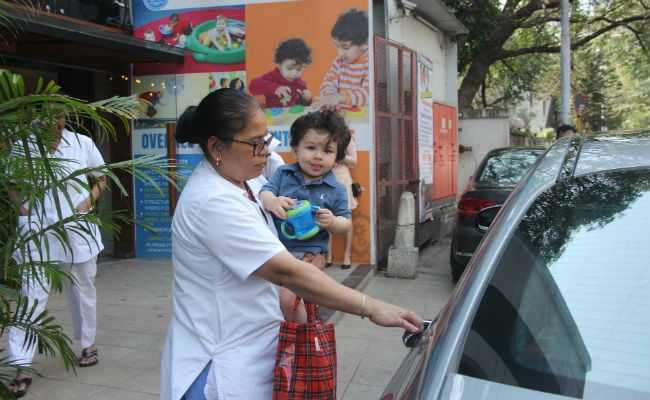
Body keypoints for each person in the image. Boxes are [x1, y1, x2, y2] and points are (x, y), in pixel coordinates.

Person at [160, 88, 422, 400]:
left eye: (267, 139)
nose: (266, 152)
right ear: (216, 146)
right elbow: (288, 272)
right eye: (256, 144)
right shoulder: (212, 201)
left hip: (256, 351)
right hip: (221, 366)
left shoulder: (249, 177)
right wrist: (371, 306)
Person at [7, 112, 106, 398]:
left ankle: (88, 343)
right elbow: (12, 184)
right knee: (30, 295)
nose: (54, 122)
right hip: (36, 232)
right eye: (47, 115)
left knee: (82, 288)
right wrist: (23, 210)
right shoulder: (22, 145)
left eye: (59, 115)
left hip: (75, 228)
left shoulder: (81, 143)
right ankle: (22, 364)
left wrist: (87, 202)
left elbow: (102, 176)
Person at [260, 110, 351, 270]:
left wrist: (333, 222)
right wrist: (272, 201)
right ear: (295, 150)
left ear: (337, 158)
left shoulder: (337, 189)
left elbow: (346, 223)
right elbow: (265, 192)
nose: (318, 156)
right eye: (311, 148)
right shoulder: (283, 173)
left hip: (311, 254)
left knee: (312, 293)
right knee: (285, 295)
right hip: (277, 249)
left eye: (327, 151)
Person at [312, 8, 369, 111]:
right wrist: (329, 97)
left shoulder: (370, 62)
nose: (340, 53)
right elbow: (329, 81)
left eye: (346, 47)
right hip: (342, 114)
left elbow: (368, 93)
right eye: (337, 46)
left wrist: (341, 97)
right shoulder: (339, 61)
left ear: (365, 43)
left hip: (363, 116)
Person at [249, 38, 313, 108]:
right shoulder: (272, 76)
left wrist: (306, 100)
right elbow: (252, 86)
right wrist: (275, 88)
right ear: (279, 64)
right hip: (274, 116)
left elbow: (301, 106)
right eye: (289, 68)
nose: (294, 73)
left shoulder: (300, 83)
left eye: (299, 69)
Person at [326, 137, 359, 269]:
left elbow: (354, 161)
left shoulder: (346, 139)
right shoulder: (323, 137)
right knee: (326, 217)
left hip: (343, 179)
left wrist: (341, 156)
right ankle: (328, 254)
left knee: (347, 218)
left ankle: (347, 255)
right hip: (325, 178)